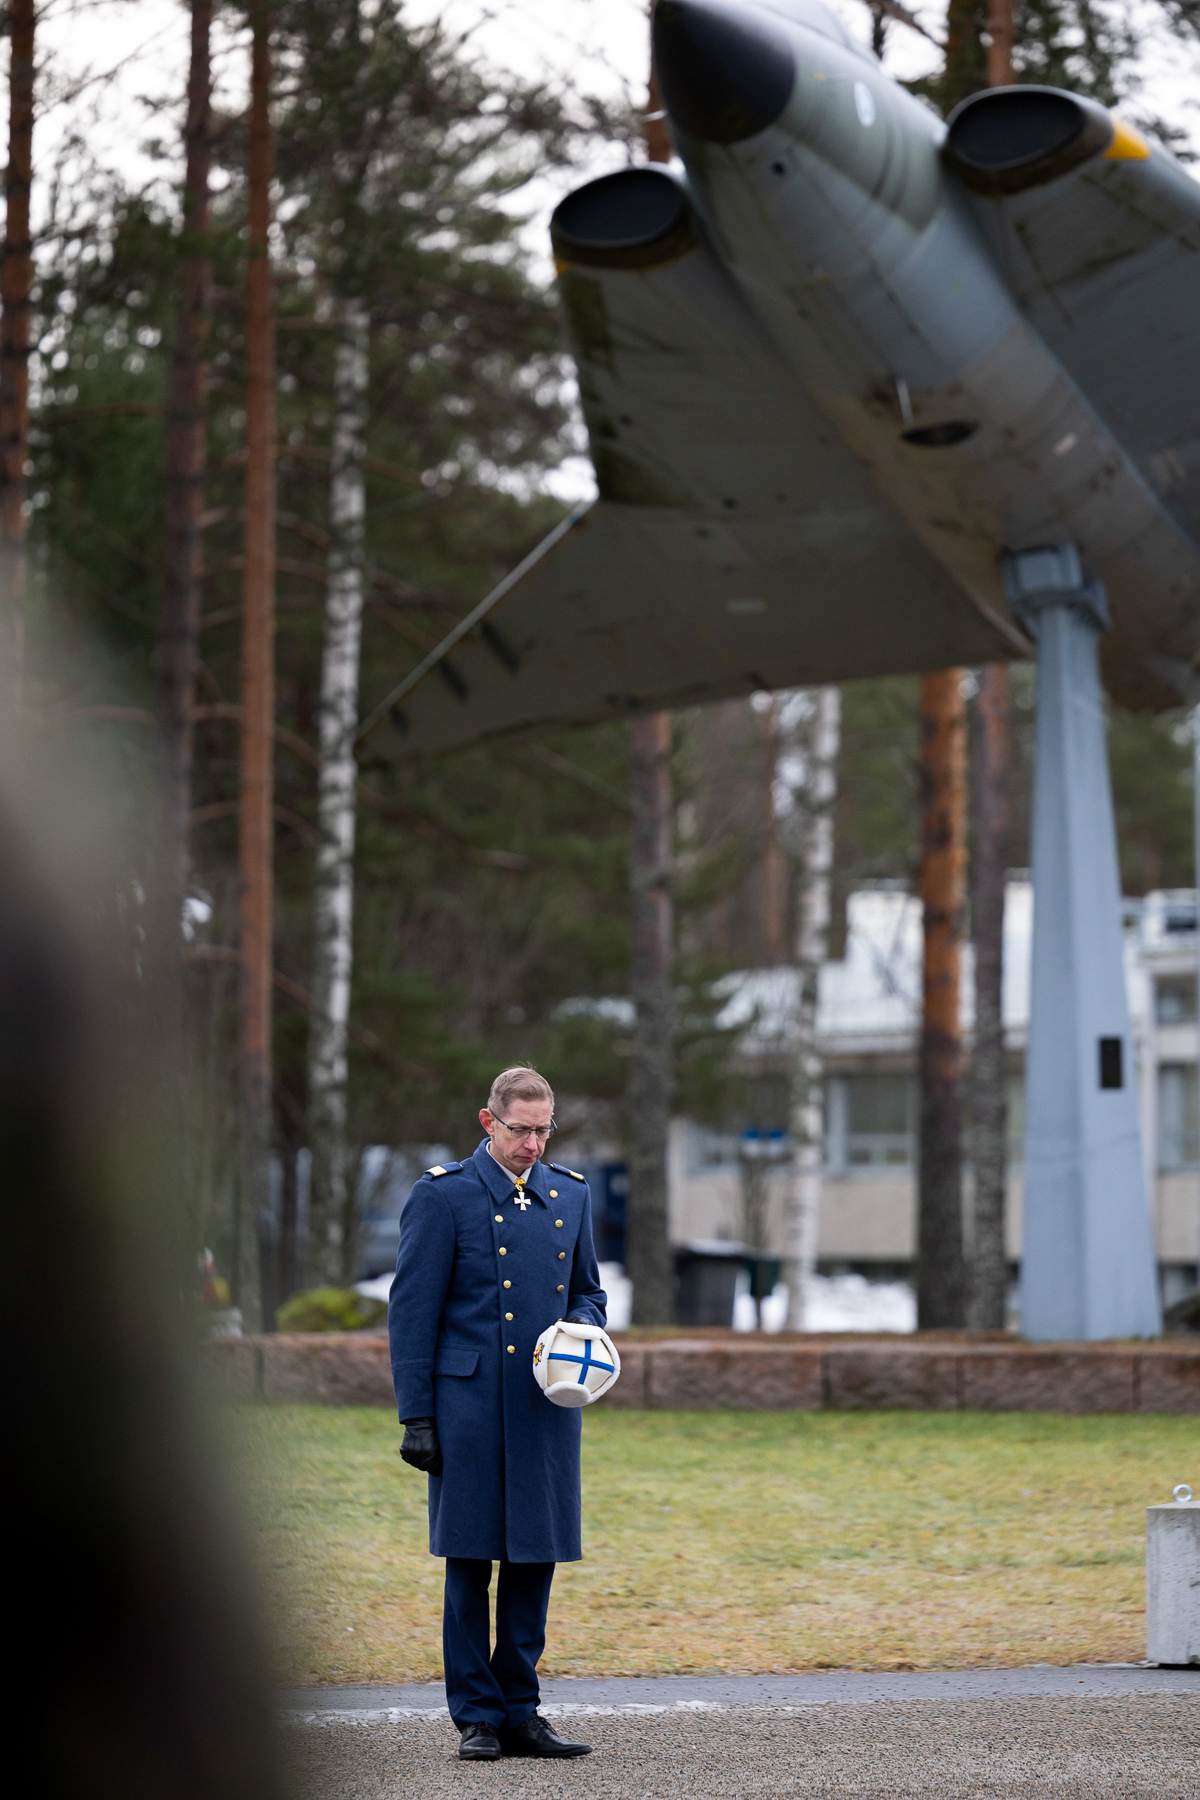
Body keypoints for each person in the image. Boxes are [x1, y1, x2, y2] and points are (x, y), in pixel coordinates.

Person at [389, 1065, 607, 1761]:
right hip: (467, 1410)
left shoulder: (569, 1198)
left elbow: (590, 1293)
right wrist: (416, 1415)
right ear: (490, 1122)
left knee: (533, 1563)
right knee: (468, 1565)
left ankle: (521, 1712)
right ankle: (476, 1717)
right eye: (522, 1129)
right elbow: (412, 1313)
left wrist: (580, 1329)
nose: (535, 1143)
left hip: (545, 1408)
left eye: (545, 1129)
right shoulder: (444, 1196)